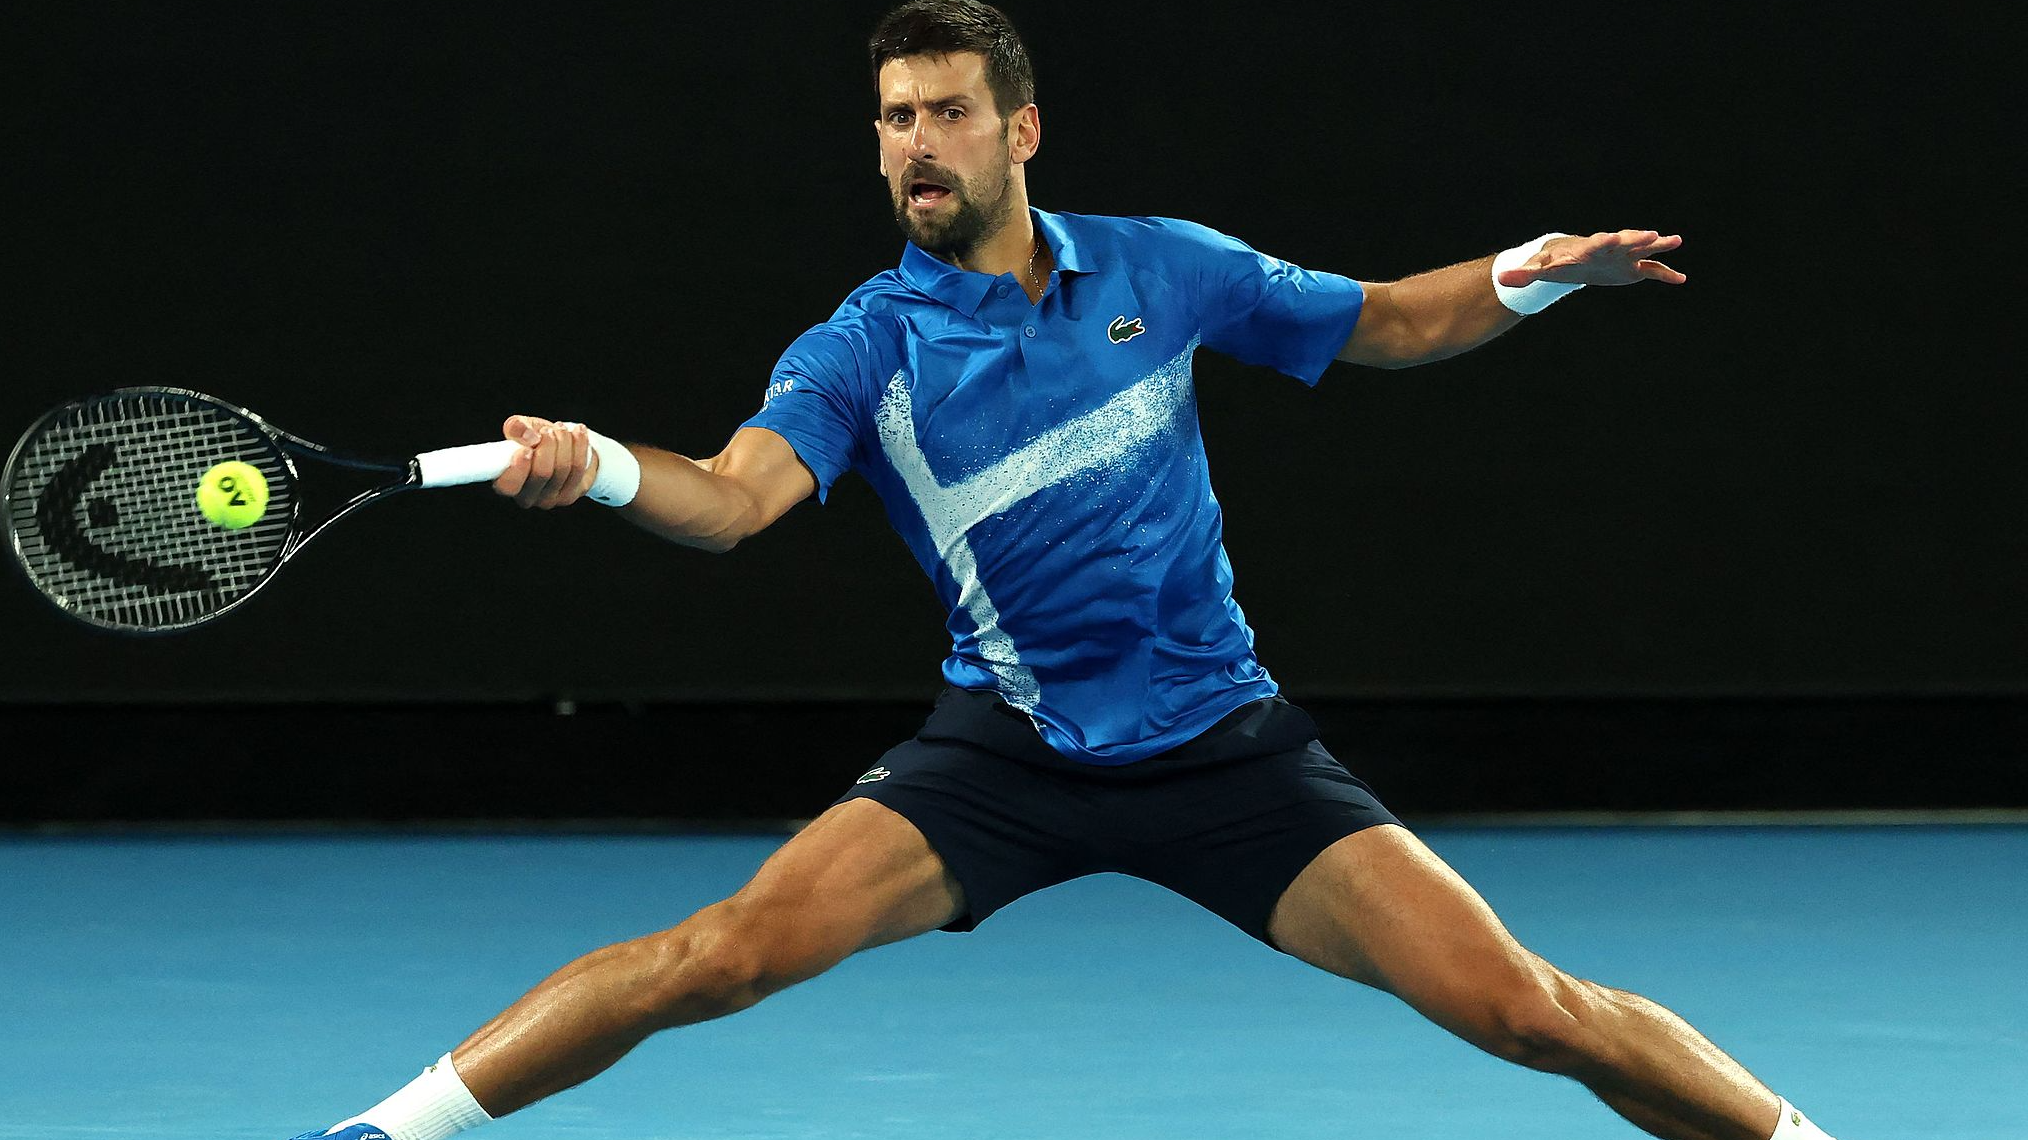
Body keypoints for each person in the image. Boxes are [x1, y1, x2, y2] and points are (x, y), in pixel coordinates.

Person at [289, 3, 1838, 1139]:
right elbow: (738, 500)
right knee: (716, 958)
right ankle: (378, 1134)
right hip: (1003, 758)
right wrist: (606, 466)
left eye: (946, 112)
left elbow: (1389, 321)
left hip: (1224, 744)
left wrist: (1530, 275)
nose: (914, 144)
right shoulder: (865, 344)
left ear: (1019, 130)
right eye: (893, 116)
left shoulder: (1163, 269)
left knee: (1526, 1012)